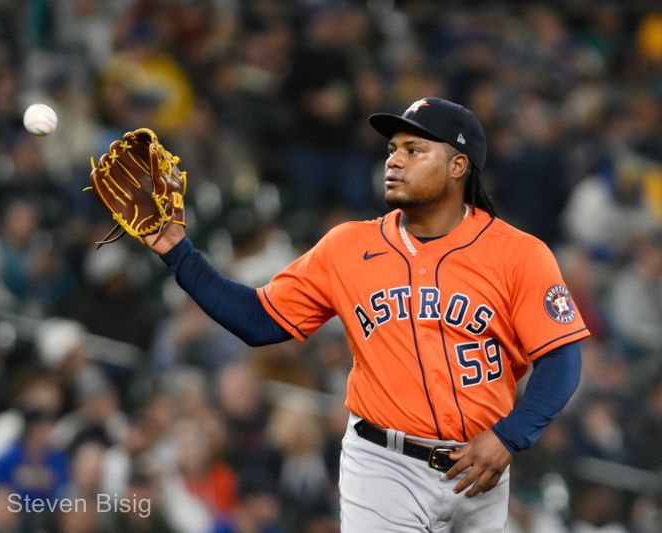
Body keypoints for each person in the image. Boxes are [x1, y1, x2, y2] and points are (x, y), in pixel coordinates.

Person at [141, 97, 588, 532]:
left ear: (458, 166)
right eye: (393, 149)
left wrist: (510, 437)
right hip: (382, 464)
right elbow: (260, 320)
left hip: (479, 469)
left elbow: (562, 360)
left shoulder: (519, 254)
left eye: (414, 150)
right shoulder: (348, 246)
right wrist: (178, 252)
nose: (394, 161)